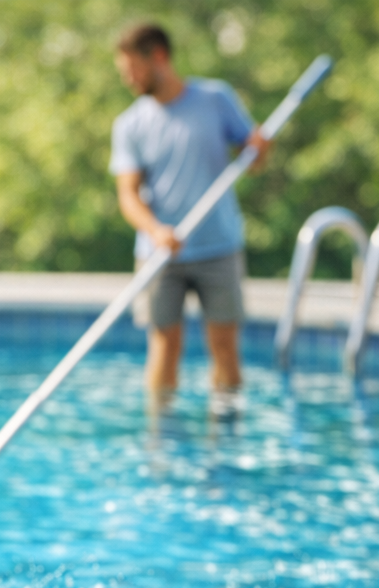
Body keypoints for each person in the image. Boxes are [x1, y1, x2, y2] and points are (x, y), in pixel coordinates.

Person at [109, 23, 269, 401]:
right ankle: (162, 446)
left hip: (219, 246)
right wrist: (155, 229)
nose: (128, 79)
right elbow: (128, 196)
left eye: (133, 69)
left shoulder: (216, 99)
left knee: (225, 348)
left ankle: (225, 434)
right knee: (164, 348)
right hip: (159, 254)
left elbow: (252, 157)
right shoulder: (130, 124)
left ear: (159, 57)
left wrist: (260, 148)